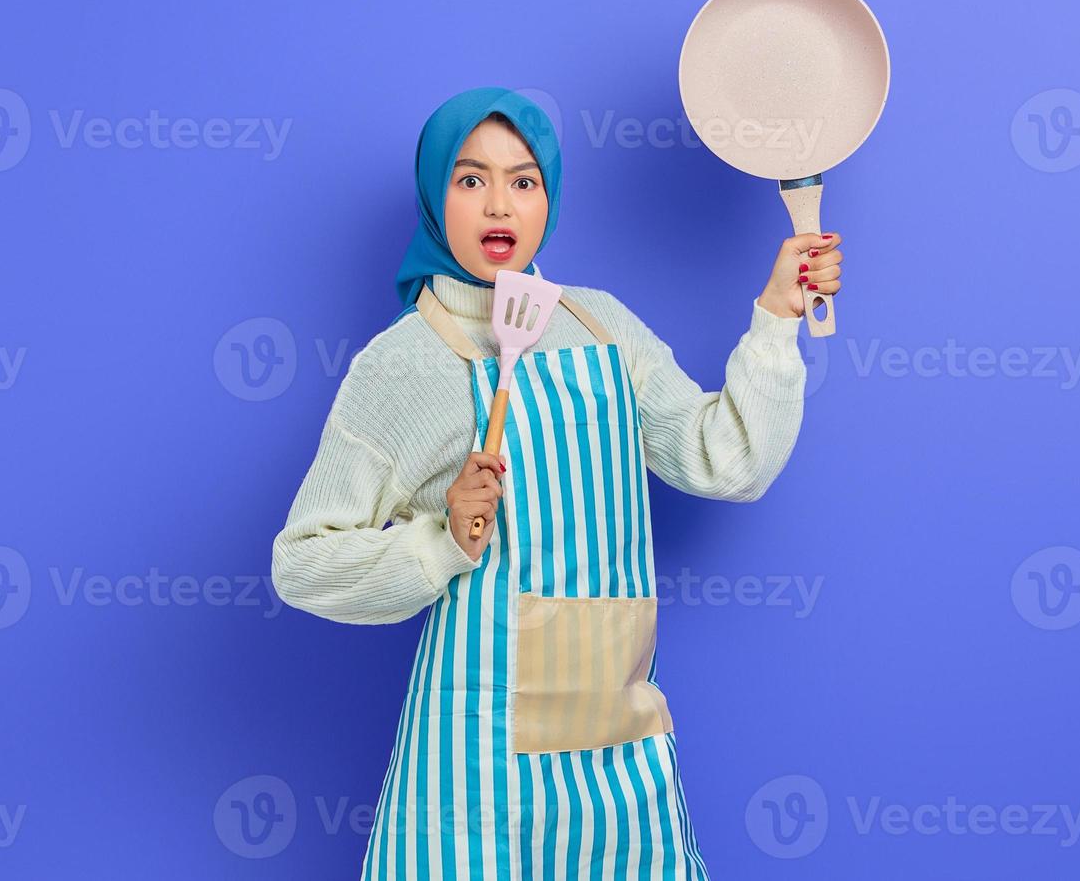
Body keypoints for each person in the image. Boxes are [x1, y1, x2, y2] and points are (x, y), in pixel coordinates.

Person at [272, 86, 840, 879]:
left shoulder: (602, 325)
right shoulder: (401, 363)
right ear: (437, 197)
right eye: (470, 180)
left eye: (524, 180)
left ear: (549, 199)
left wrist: (777, 316)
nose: (498, 203)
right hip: (472, 771)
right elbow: (302, 563)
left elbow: (728, 459)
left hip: (616, 746)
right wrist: (438, 542)